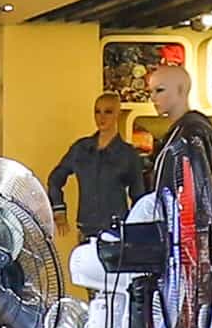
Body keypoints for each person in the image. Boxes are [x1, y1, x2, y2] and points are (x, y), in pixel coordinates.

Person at [46, 88, 160, 257]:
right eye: (97, 112)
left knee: (114, 272)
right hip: (86, 230)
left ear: (117, 114)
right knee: (86, 270)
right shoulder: (81, 149)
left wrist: (137, 232)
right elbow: (55, 179)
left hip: (116, 231)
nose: (101, 117)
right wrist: (59, 209)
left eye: (108, 112)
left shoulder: (128, 154)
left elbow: (138, 196)